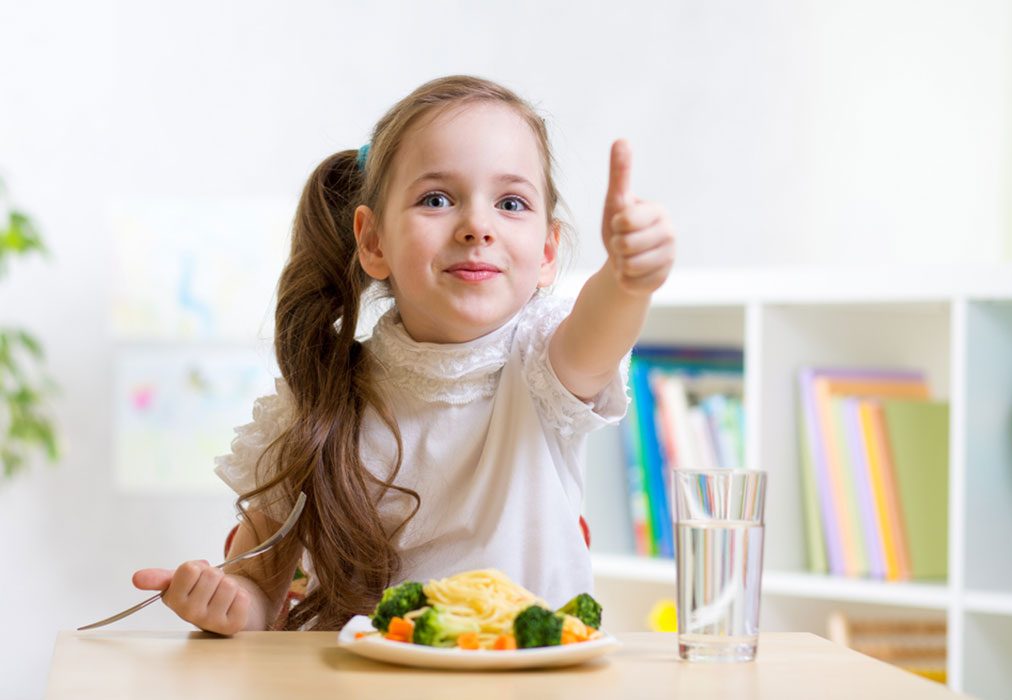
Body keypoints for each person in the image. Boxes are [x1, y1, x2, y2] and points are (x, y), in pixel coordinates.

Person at [132, 75, 675, 634]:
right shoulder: (320, 395)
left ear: (546, 251)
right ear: (372, 241)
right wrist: (225, 602)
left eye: (511, 202)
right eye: (436, 199)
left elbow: (597, 334)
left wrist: (628, 280)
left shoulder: (545, 364)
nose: (477, 227)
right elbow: (258, 592)